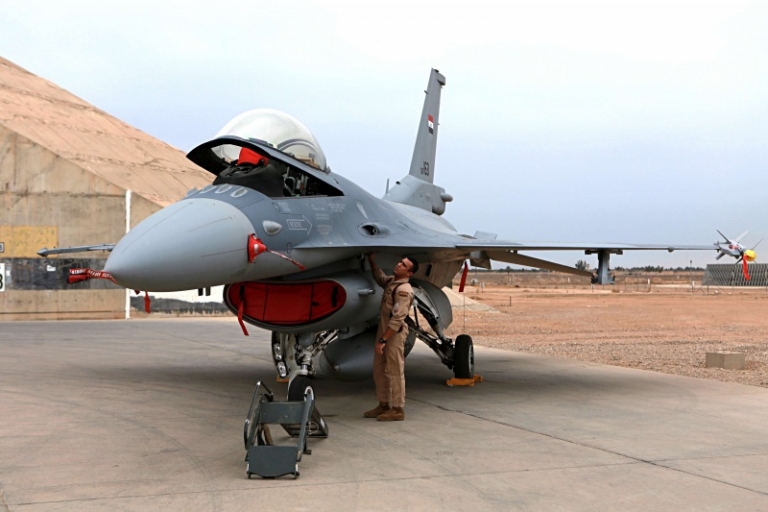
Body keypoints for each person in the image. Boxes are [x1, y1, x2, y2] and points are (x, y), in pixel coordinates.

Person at [364, 252, 419, 421]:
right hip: (384, 330)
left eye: (403, 265)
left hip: (393, 334)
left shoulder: (404, 291)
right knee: (379, 369)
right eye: (400, 262)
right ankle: (383, 404)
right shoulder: (391, 282)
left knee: (395, 370)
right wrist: (372, 260)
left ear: (409, 273)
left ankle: (397, 409)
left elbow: (397, 319)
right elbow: (380, 277)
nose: (399, 264)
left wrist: (383, 340)